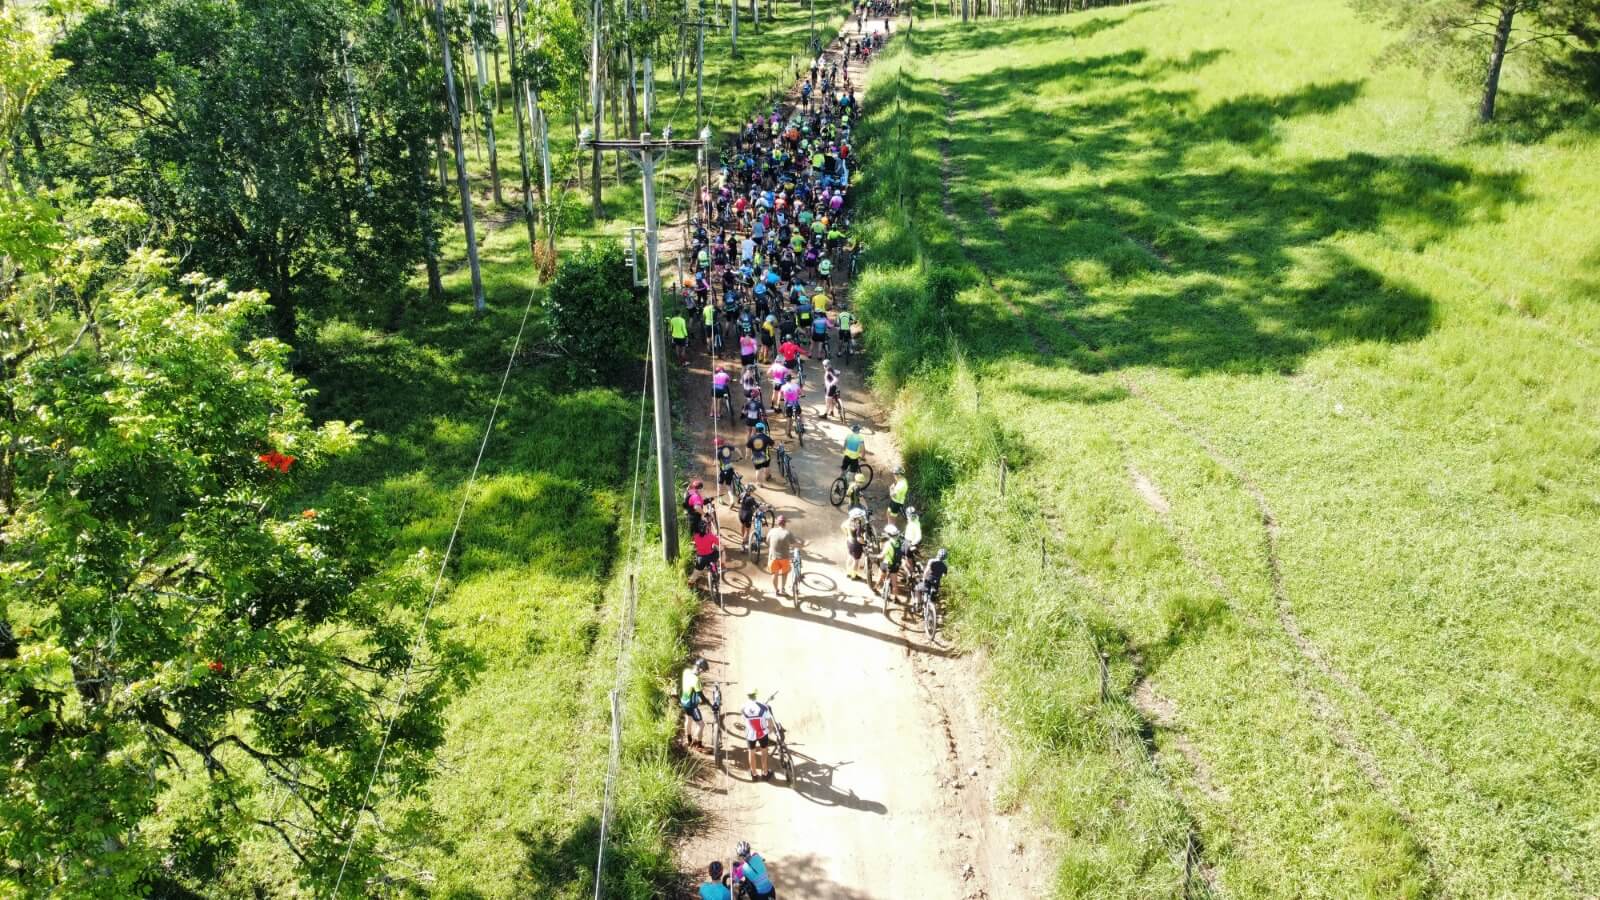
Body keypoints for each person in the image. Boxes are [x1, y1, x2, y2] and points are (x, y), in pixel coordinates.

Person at [741, 691, 775, 781]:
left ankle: (754, 774)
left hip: (750, 733)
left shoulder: (743, 707)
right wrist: (770, 730)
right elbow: (770, 723)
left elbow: (744, 720)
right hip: (762, 732)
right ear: (756, 695)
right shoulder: (763, 706)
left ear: (747, 696)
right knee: (764, 752)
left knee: (751, 752)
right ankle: (765, 773)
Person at [680, 658, 709, 751]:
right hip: (692, 705)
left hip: (684, 701)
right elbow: (701, 695)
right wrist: (708, 702)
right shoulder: (696, 680)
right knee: (701, 725)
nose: (702, 672)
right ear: (700, 669)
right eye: (703, 670)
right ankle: (697, 744)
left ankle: (689, 740)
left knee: (688, 719)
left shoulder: (686, 672)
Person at [767, 514, 798, 597]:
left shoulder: (772, 531)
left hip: (773, 557)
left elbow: (767, 541)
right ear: (785, 523)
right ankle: (782, 589)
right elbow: (795, 544)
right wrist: (804, 545)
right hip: (784, 558)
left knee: (774, 574)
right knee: (784, 573)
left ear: (778, 523)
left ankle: (776, 591)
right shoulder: (788, 533)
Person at [876, 522, 903, 599]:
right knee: (894, 584)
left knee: (880, 577)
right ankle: (895, 597)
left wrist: (876, 556)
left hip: (886, 564)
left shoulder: (888, 544)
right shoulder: (899, 542)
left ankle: (876, 588)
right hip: (895, 565)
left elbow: (882, 555)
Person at [841, 506, 869, 580]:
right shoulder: (858, 525)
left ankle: (848, 572)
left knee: (850, 556)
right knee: (856, 561)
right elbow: (859, 539)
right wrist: (865, 543)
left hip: (849, 542)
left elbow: (842, 526)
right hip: (856, 545)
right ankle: (854, 576)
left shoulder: (849, 521)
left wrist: (847, 534)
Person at [738, 483, 760, 548]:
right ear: (750, 491)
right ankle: (743, 543)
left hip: (741, 513)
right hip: (747, 515)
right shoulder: (751, 498)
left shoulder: (741, 494)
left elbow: (738, 502)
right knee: (748, 530)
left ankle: (743, 538)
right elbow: (757, 506)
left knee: (743, 525)